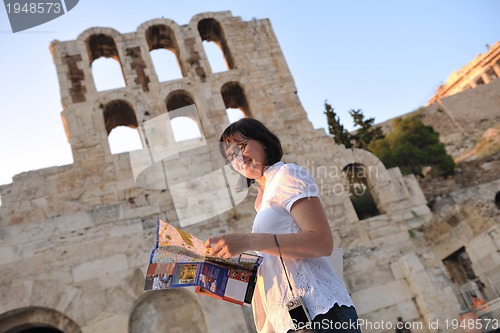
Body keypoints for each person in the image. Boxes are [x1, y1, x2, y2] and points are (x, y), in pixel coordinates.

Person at [205, 118, 361, 333]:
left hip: (320, 311)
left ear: (264, 142)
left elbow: (321, 242)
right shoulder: (261, 201)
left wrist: (248, 241)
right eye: (231, 156)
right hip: (292, 321)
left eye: (242, 146)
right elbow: (279, 261)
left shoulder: (287, 174)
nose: (239, 158)